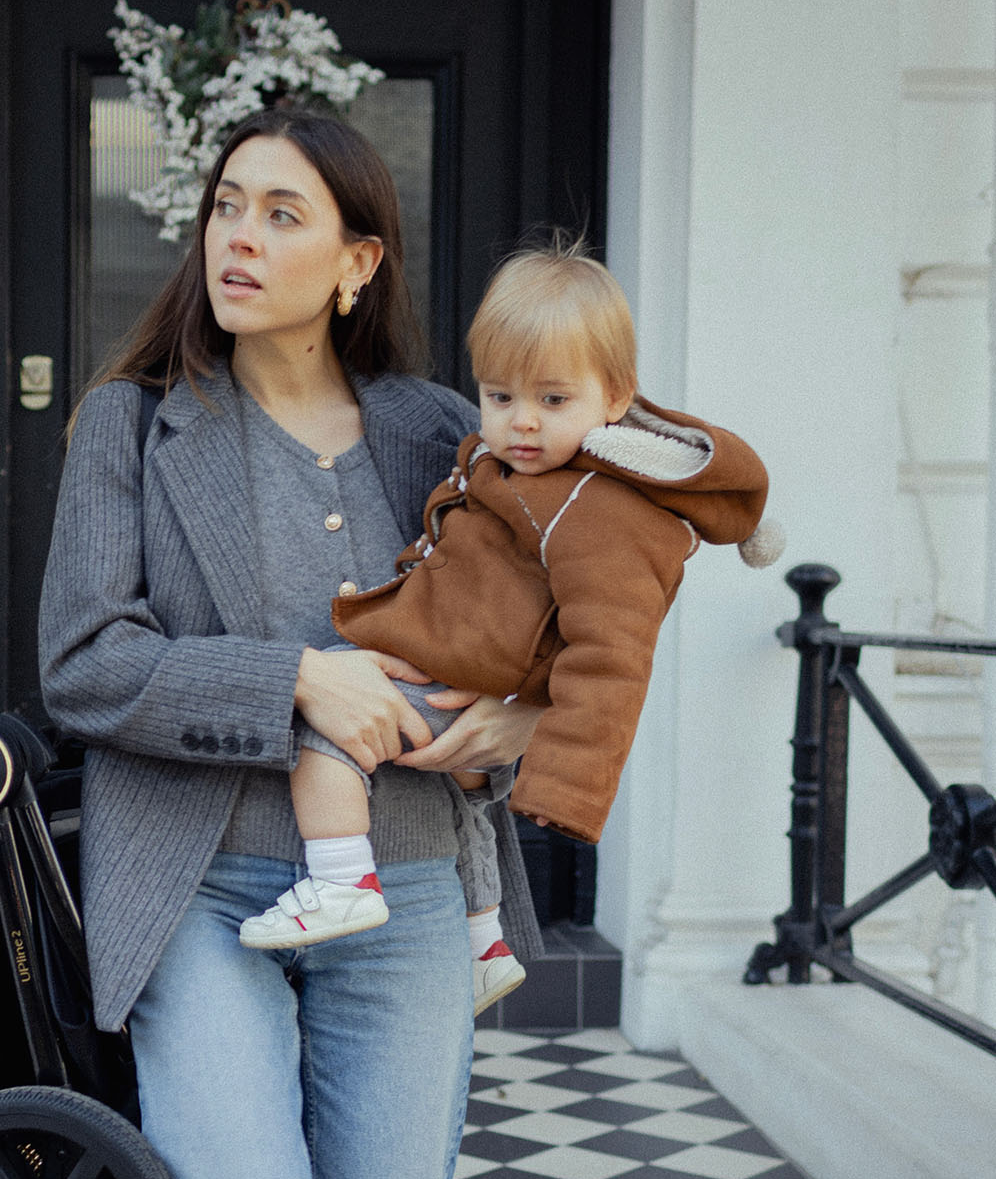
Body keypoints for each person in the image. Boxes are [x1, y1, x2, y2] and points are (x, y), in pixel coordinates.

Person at [38, 106, 542, 1179]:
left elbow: (542, 623)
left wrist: (512, 722)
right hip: (203, 892)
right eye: (227, 206)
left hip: (413, 886)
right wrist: (296, 683)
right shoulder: (132, 425)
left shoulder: (444, 432)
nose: (239, 239)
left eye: (281, 215)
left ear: (358, 262)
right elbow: (84, 663)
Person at [240, 240, 779, 963]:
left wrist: (565, 785)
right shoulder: (516, 468)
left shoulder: (599, 510)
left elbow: (614, 654)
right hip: (463, 664)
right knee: (465, 797)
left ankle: (340, 880)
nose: (522, 421)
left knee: (325, 741)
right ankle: (484, 942)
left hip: (464, 671)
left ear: (615, 398)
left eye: (553, 400)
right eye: (500, 397)